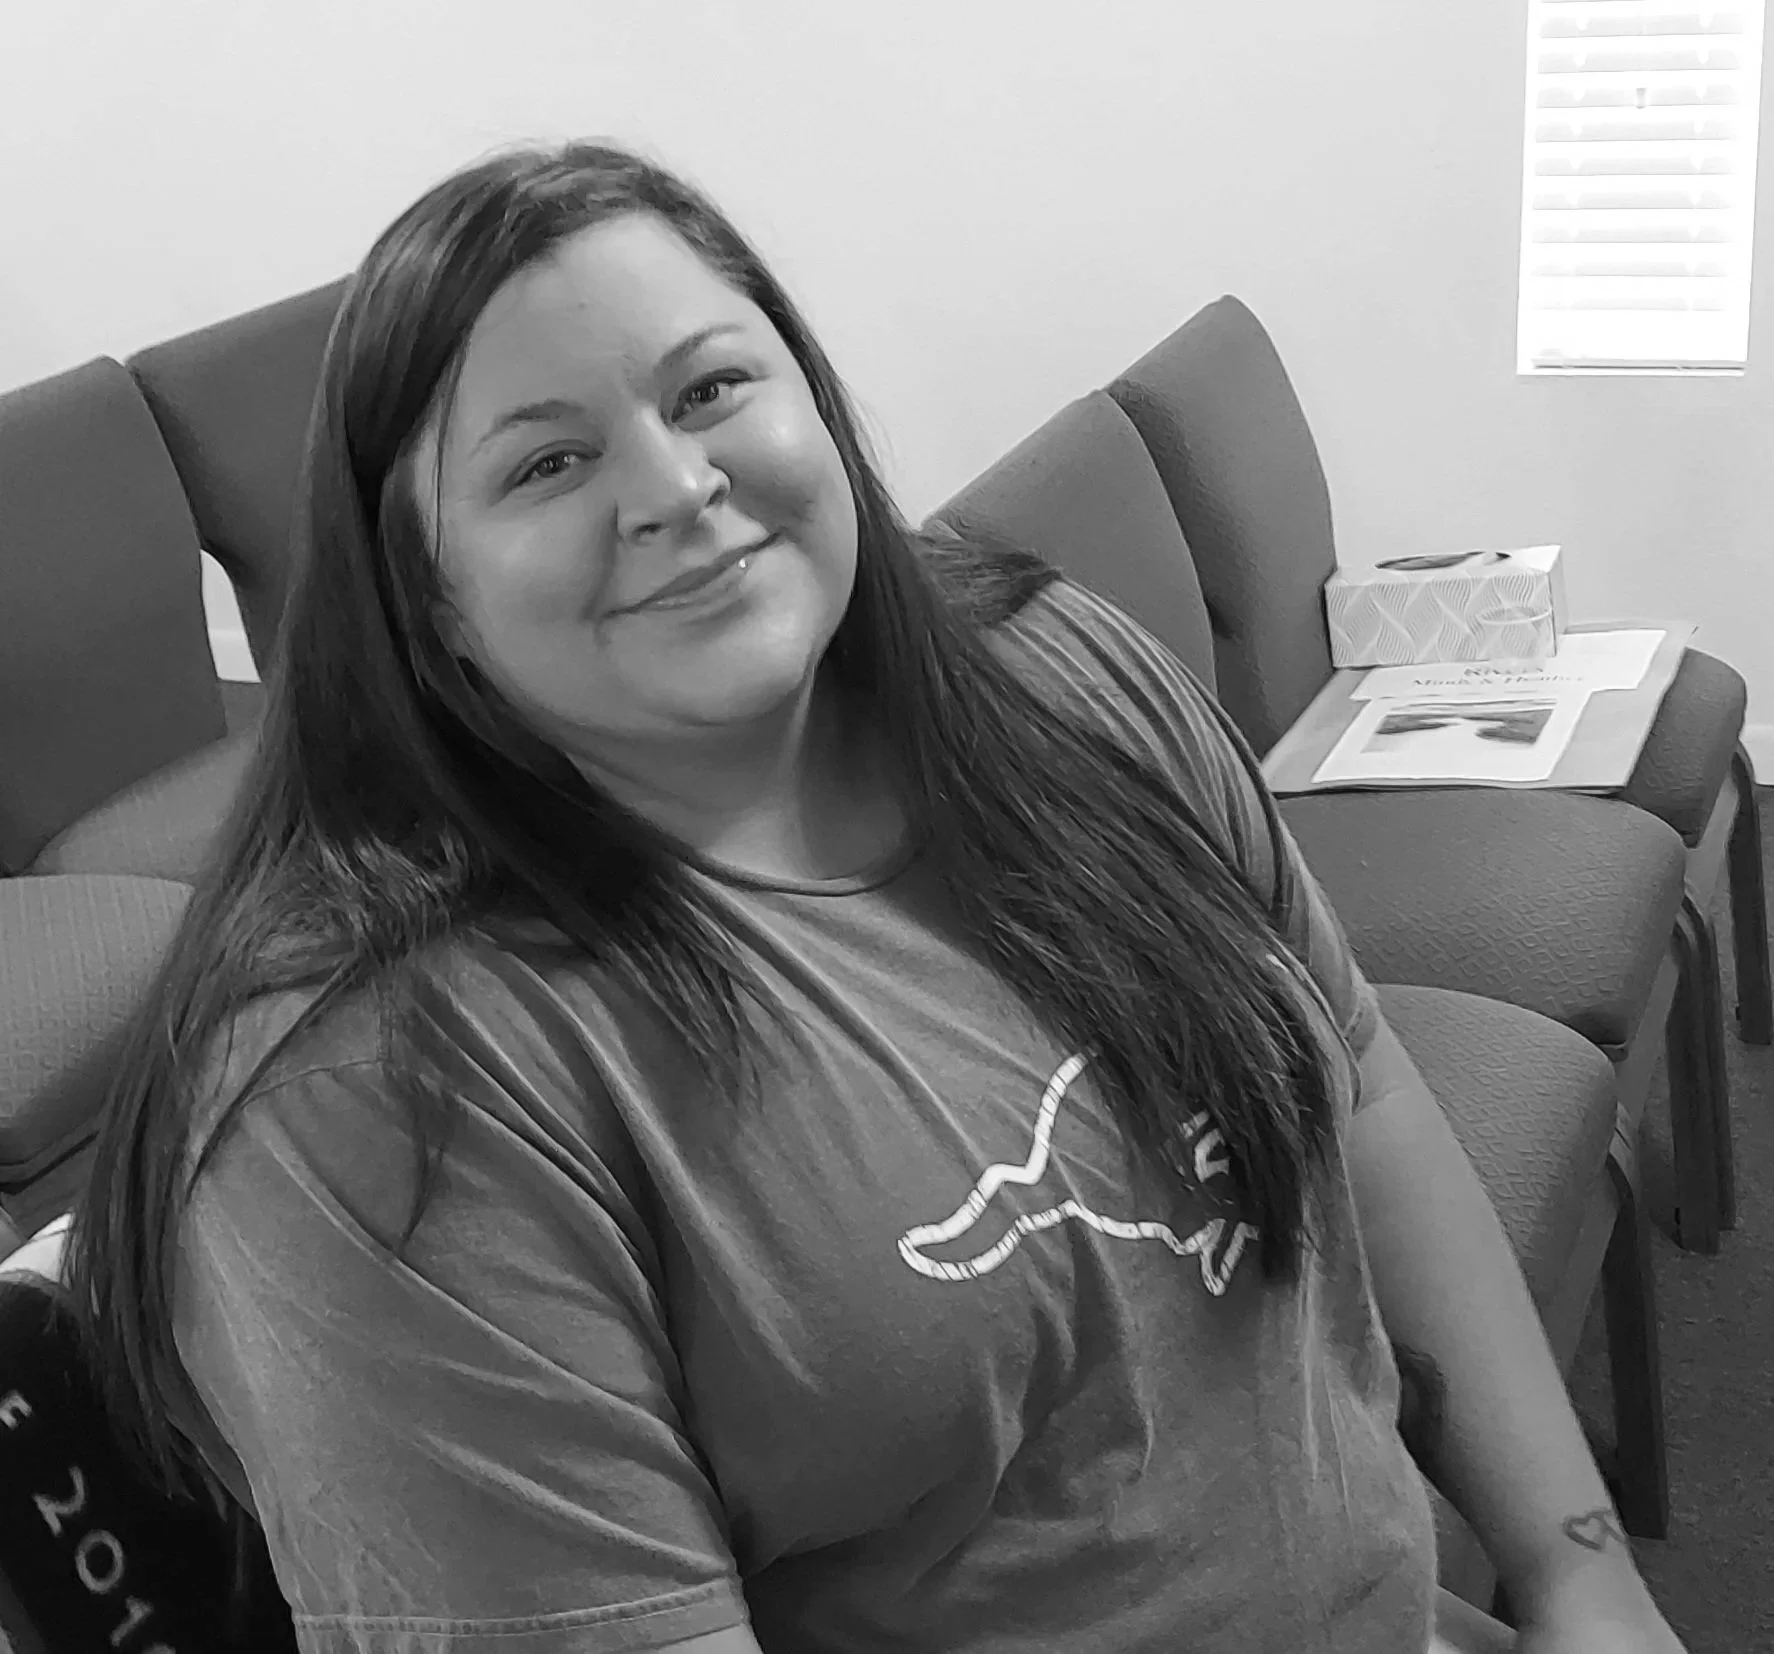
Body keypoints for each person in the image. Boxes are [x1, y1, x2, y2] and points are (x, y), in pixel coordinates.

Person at [58, 139, 1687, 1654]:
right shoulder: (379, 1104)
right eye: (546, 461)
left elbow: (1362, 1085)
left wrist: (1572, 1563)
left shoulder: (1053, 674)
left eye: (709, 387)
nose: (672, 486)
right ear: (431, 603)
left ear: (816, 410)